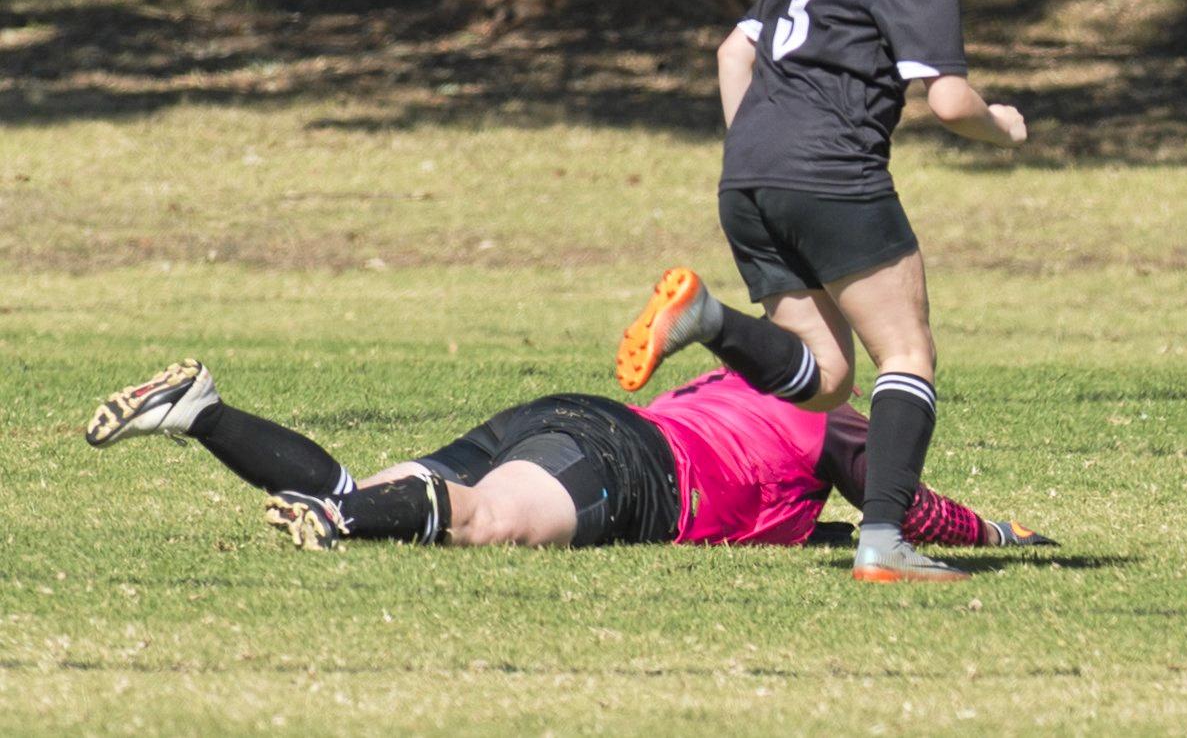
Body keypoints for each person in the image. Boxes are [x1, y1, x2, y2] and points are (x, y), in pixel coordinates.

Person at [614, 0, 1027, 583]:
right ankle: (882, 543)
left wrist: (758, 156)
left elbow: (732, 54)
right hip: (830, 172)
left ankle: (704, 314)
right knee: (906, 352)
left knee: (827, 377)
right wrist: (1002, 126)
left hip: (748, 177)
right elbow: (947, 101)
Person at [85, 355, 1057, 553]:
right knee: (483, 519)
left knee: (389, 487)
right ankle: (334, 521)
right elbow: (902, 504)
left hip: (572, 416)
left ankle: (202, 413)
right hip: (630, 467)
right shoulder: (837, 417)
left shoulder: (735, 379)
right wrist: (998, 530)